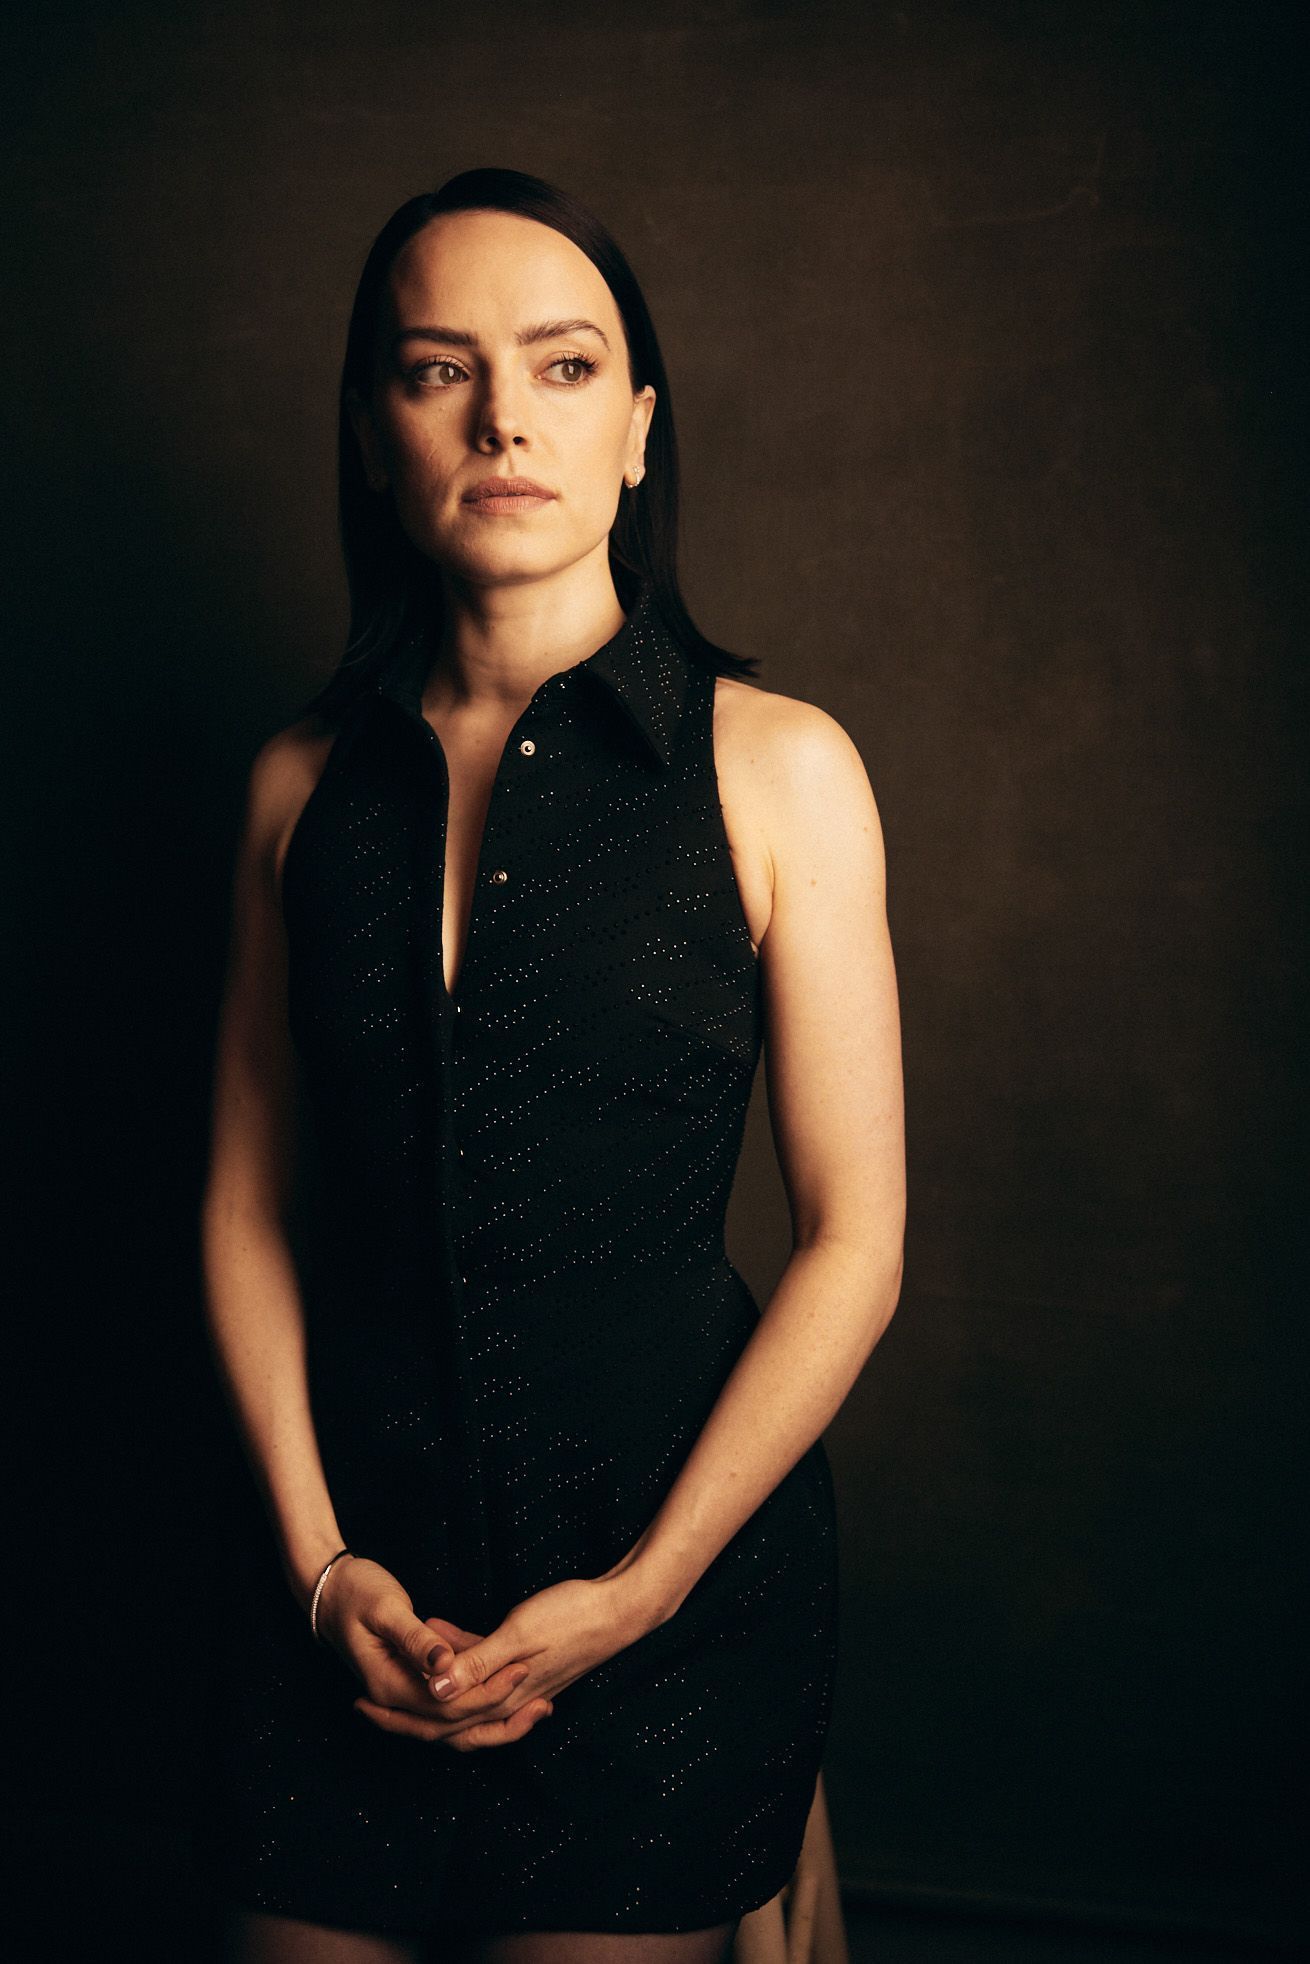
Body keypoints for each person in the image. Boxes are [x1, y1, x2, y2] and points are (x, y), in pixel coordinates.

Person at [195, 166, 905, 1964]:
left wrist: (642, 1594)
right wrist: (318, 1570)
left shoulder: (780, 768)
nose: (503, 416)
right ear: (373, 432)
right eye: (438, 369)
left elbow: (853, 1239)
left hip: (668, 1595)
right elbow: (246, 1208)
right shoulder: (295, 787)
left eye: (563, 365)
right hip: (340, 1588)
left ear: (639, 428)